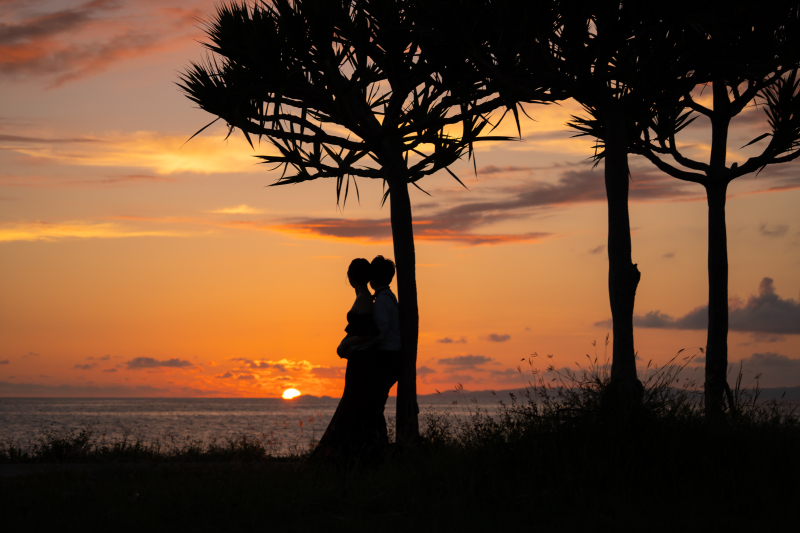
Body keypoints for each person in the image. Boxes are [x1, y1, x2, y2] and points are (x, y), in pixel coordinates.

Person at [313, 258, 395, 461]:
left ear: (350, 277)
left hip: (362, 360)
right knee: (354, 406)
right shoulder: (366, 297)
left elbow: (370, 333)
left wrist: (345, 345)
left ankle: (340, 453)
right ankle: (355, 452)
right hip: (359, 358)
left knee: (352, 405)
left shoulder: (368, 300)